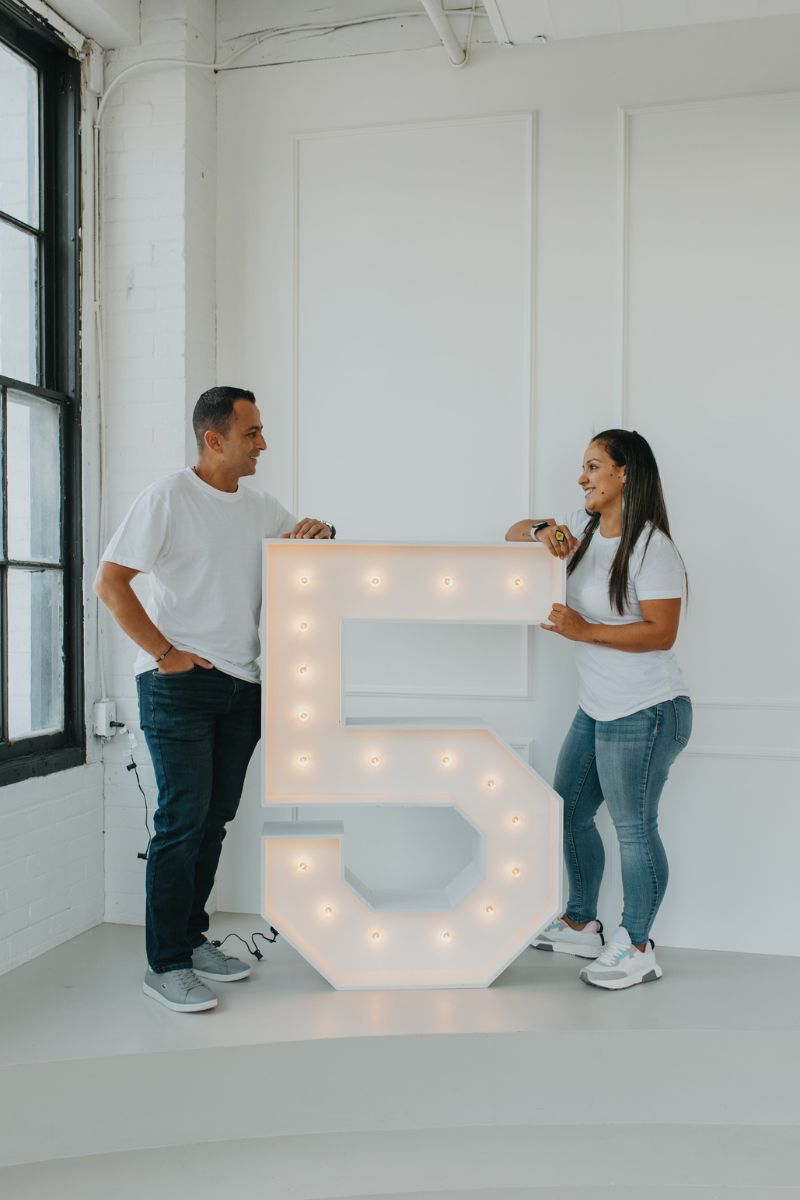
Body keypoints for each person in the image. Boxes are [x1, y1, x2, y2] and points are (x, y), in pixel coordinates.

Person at [94, 386, 335, 1012]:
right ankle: (166, 964)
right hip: (179, 686)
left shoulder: (261, 507)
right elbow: (110, 582)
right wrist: (164, 653)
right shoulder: (168, 498)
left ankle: (192, 940)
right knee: (181, 823)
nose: (263, 444)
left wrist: (322, 529)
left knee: (214, 821)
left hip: (243, 687)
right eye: (251, 433)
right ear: (214, 438)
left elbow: (306, 545)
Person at [506, 429, 691, 990]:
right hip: (598, 706)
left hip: (647, 710)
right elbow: (513, 533)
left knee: (634, 829)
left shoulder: (653, 548)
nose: (582, 478)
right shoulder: (581, 530)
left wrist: (585, 630)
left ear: (624, 473)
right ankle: (581, 923)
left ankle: (637, 945)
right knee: (569, 809)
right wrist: (542, 531)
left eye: (592, 466)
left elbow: (661, 632)